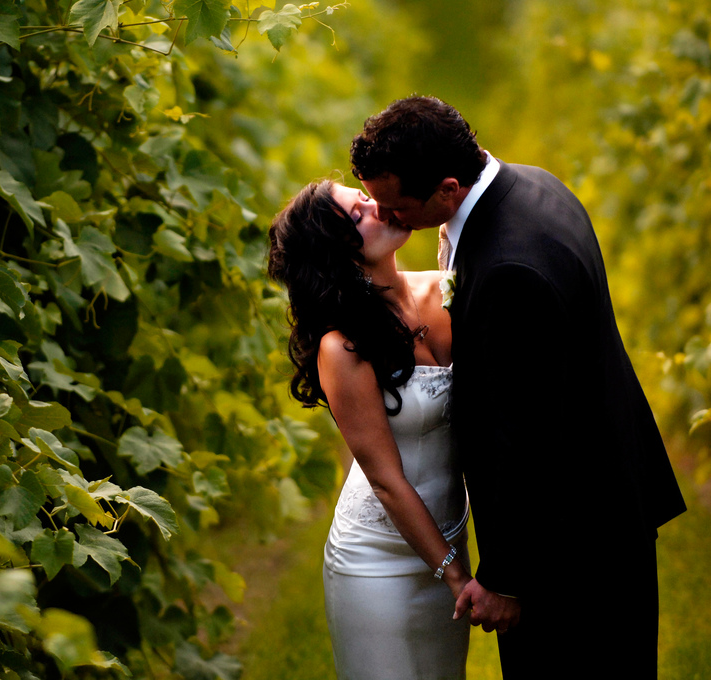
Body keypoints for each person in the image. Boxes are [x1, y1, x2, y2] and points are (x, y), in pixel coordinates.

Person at [349, 95, 687, 677]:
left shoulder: (510, 271)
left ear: (448, 189)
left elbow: (524, 437)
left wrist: (506, 577)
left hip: (571, 544)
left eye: (394, 204)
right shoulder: (534, 184)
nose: (387, 215)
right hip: (608, 500)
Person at [268, 180, 472, 679]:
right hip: (378, 561)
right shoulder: (343, 347)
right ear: (337, 255)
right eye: (358, 217)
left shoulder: (446, 289)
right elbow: (384, 477)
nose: (377, 208)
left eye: (363, 199)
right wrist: (454, 574)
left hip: (451, 533)